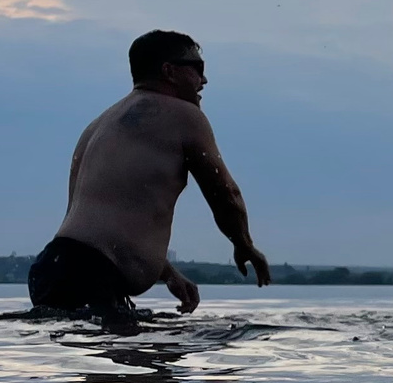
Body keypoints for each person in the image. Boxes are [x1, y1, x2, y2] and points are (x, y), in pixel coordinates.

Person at [29, 29, 270, 320]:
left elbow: (100, 221)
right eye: (198, 68)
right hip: (92, 272)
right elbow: (225, 193)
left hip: (54, 265)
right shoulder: (184, 116)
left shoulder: (99, 125)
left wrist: (165, 271)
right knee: (157, 348)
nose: (204, 80)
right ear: (169, 71)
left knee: (90, 341)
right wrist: (244, 244)